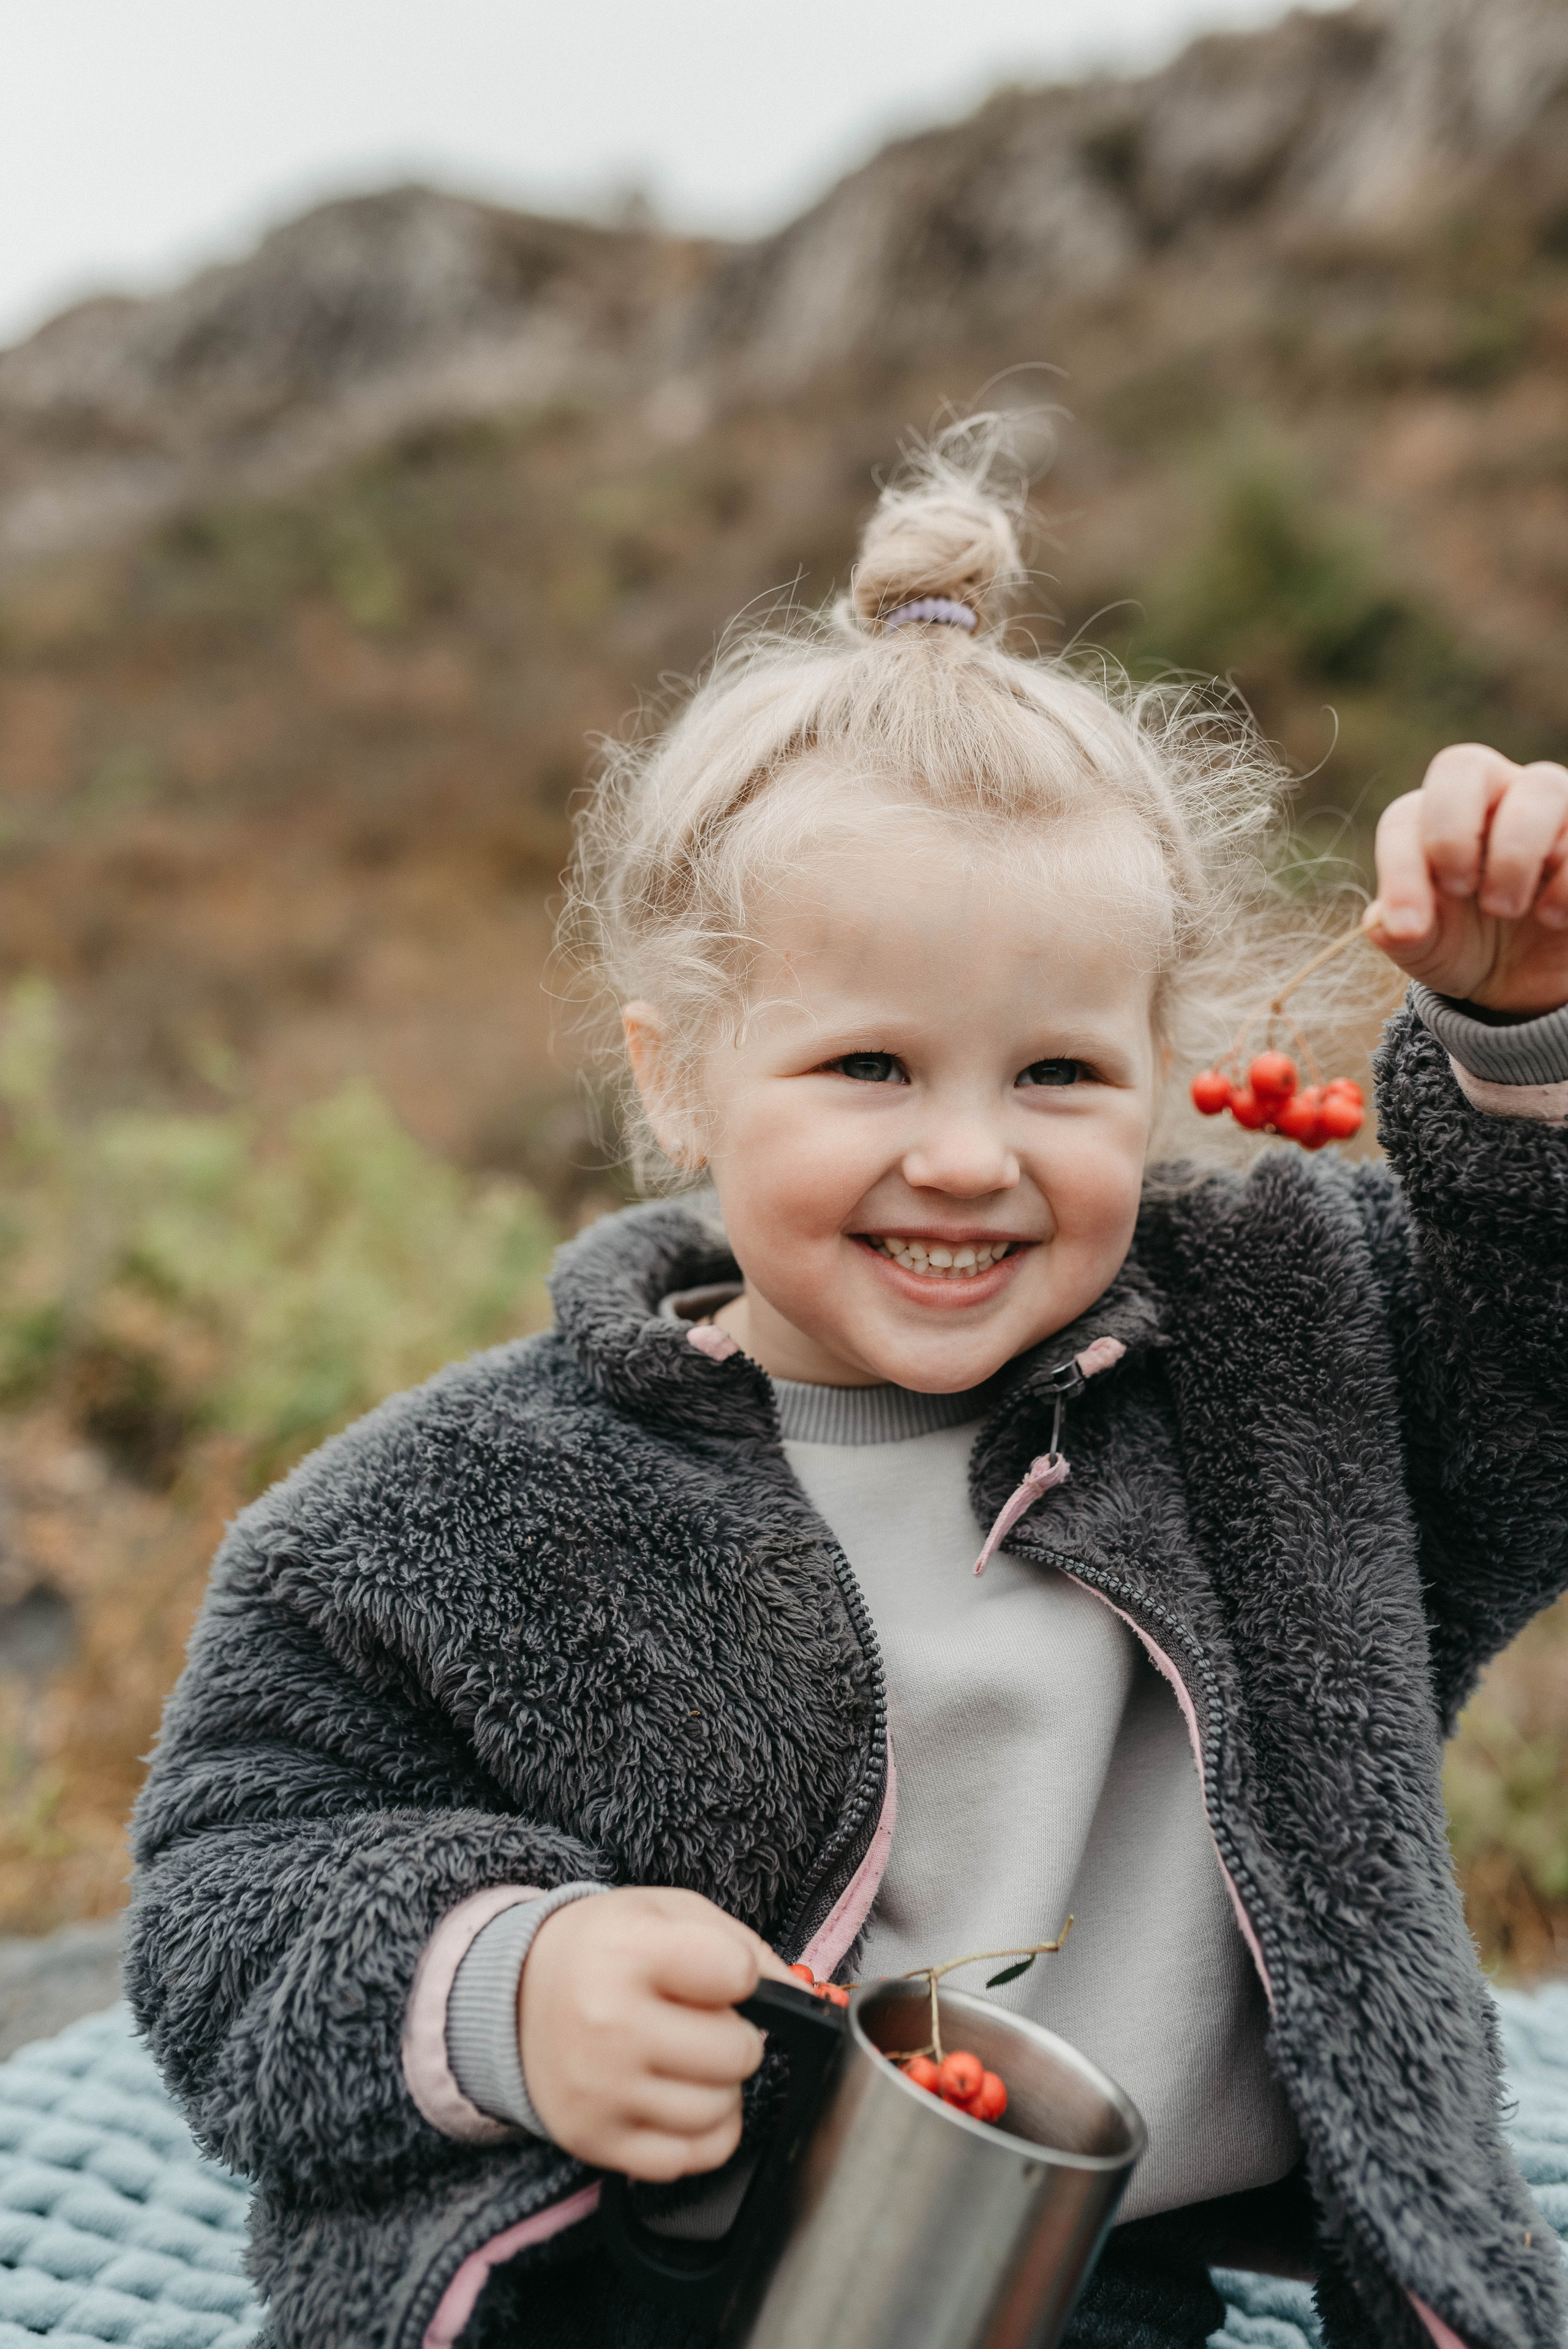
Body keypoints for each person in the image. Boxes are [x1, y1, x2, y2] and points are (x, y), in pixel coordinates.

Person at [127, 423, 1568, 2349]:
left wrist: (1520, 1049)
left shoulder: (1277, 1366)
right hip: (635, 2293)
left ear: (1161, 1067)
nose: (969, 1156)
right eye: (869, 1067)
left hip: (1101, 2288)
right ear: (676, 1073)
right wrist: (509, 1989)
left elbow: (1533, 1371)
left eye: (1057, 1074)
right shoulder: (446, 1512)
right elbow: (232, 1887)